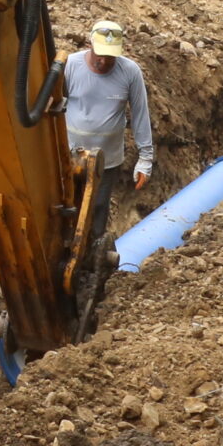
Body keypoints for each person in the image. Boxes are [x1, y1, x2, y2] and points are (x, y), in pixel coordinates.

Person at [63, 18, 154, 270]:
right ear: (90, 44)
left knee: (98, 208)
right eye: (100, 55)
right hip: (68, 156)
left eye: (110, 57)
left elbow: (140, 114)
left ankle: (90, 265)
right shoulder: (70, 65)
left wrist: (145, 158)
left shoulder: (129, 72)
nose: (104, 61)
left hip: (107, 160)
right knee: (66, 206)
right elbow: (49, 107)